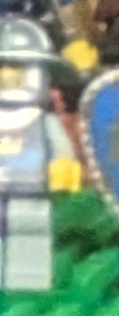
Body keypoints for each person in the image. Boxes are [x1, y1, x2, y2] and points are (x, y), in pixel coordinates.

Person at [0, 17, 79, 295]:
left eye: (19, 74)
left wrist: (63, 168)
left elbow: (61, 147)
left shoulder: (43, 120)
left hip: (31, 185)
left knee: (31, 229)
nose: (10, 81)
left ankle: (28, 277)